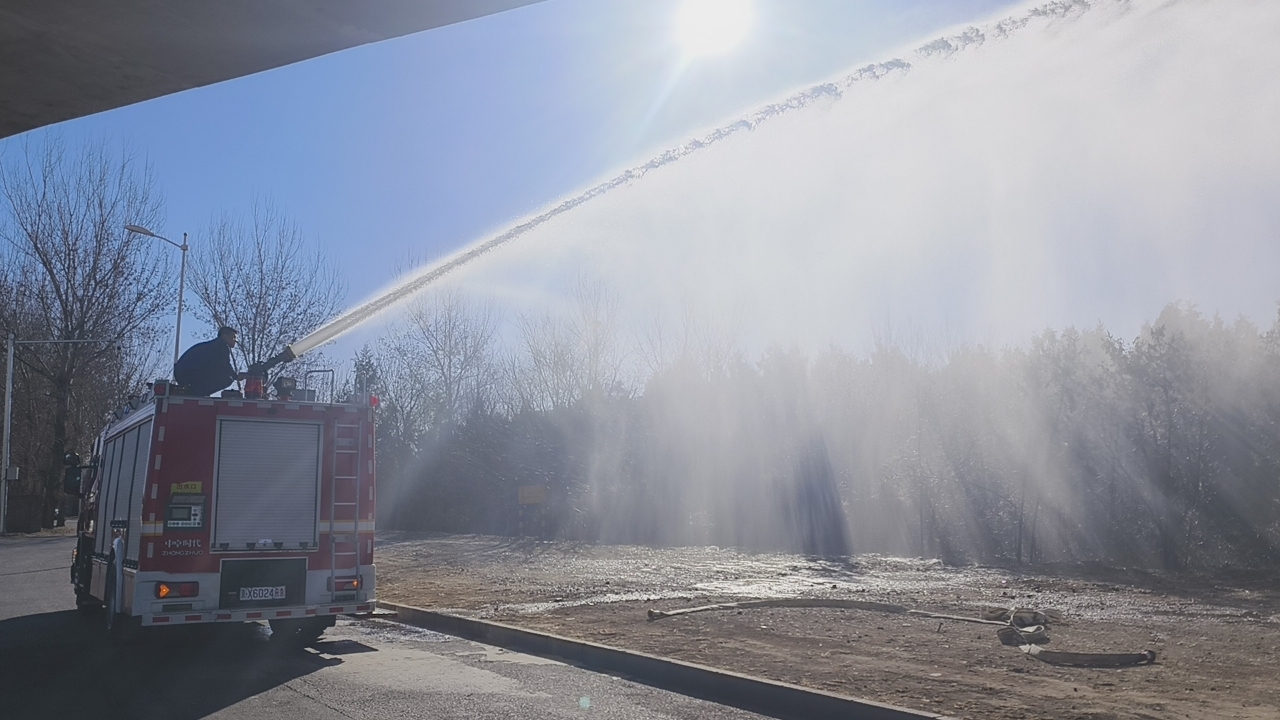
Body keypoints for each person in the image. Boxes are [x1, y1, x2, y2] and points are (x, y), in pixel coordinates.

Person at [173, 326, 247, 396]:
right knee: (227, 379)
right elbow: (225, 366)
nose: (235, 341)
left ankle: (195, 391)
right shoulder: (221, 346)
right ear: (224, 336)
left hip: (182, 371)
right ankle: (196, 392)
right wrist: (236, 376)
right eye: (233, 337)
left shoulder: (213, 346)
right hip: (187, 372)